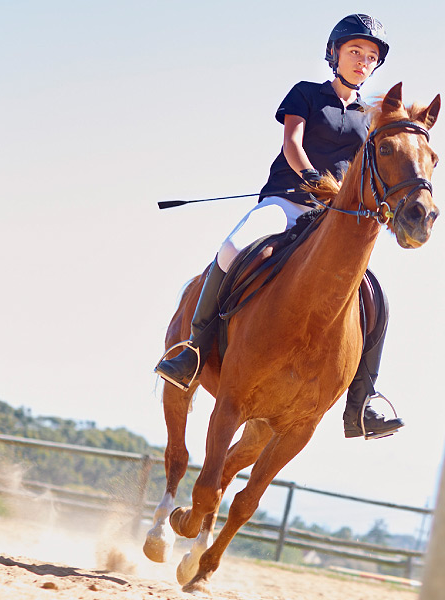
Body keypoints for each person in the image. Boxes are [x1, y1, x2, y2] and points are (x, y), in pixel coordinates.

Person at [154, 14, 404, 440]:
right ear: (334, 54)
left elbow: (373, 171)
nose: (363, 60)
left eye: (371, 56)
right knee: (232, 248)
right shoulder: (307, 94)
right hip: (287, 202)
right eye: (355, 51)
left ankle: (362, 400)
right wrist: (307, 173)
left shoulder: (368, 118)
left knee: (374, 296)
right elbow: (292, 141)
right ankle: (193, 350)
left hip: (331, 222)